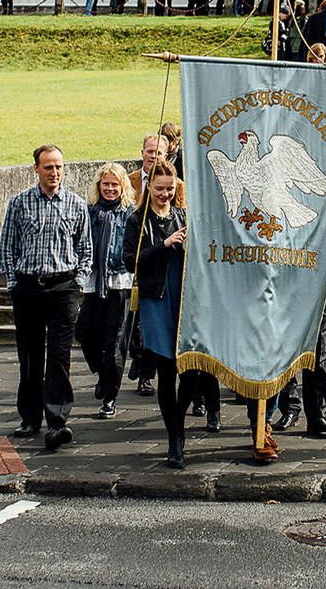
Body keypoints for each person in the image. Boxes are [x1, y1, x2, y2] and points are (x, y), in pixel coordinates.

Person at [0, 144, 90, 452]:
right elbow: (7, 247)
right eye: (48, 167)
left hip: (62, 287)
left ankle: (57, 418)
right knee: (30, 355)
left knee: (60, 356)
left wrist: (77, 282)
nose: (54, 173)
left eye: (59, 167)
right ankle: (29, 417)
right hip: (28, 287)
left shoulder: (76, 204)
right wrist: (12, 282)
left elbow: (85, 250)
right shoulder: (19, 203)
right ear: (35, 168)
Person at [132, 161, 217, 467]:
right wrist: (163, 245)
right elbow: (130, 260)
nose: (165, 194)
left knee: (192, 372)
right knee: (167, 371)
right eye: (159, 189)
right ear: (148, 188)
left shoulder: (182, 214)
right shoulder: (138, 219)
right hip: (157, 299)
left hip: (185, 297)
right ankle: (175, 439)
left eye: (170, 188)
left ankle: (177, 421)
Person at [76, 163, 135, 418]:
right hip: (94, 278)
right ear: (99, 186)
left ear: (122, 187)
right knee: (84, 333)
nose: (110, 189)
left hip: (119, 280)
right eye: (106, 184)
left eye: (115, 185)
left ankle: (110, 397)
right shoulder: (90, 212)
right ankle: (102, 372)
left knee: (114, 342)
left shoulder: (130, 214)